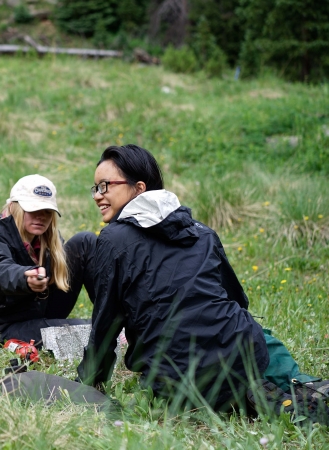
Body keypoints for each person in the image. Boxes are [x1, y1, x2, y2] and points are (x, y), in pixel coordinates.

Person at [76, 144, 327, 414]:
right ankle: (299, 385)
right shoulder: (202, 232)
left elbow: (105, 327)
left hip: (175, 383)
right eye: (95, 188)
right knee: (256, 335)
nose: (97, 196)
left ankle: (261, 395)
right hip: (237, 355)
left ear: (139, 188)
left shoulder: (114, 239)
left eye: (105, 186)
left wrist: (88, 383)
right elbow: (237, 301)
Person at [0, 174, 96, 347]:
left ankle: (113, 314)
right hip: (1, 326)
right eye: (33, 210)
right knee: (93, 331)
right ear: (13, 207)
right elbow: (0, 270)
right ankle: (116, 330)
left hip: (37, 311)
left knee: (84, 241)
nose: (41, 216)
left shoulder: (46, 237)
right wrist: (25, 278)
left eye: (47, 211)